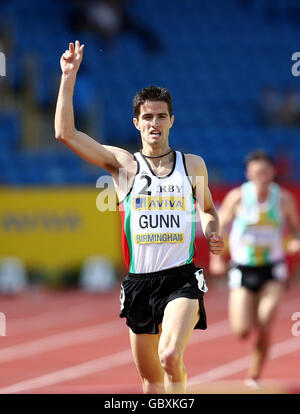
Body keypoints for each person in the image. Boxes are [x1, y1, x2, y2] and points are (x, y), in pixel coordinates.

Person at [55, 40, 224, 394]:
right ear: (136, 122)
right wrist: (68, 77)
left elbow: (206, 210)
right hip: (138, 284)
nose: (155, 123)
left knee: (168, 357)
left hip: (180, 279)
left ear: (172, 120)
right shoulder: (124, 166)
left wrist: (211, 229)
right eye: (147, 116)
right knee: (150, 380)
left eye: (162, 116)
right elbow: (65, 134)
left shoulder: (192, 165)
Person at [209, 150, 300, 389]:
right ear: (249, 173)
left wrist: (293, 242)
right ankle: (254, 347)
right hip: (243, 269)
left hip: (273, 269)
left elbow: (295, 230)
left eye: (266, 171)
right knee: (241, 330)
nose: (262, 175)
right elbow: (217, 229)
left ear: (273, 172)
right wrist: (216, 259)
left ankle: (255, 372)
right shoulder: (237, 198)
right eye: (257, 172)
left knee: (265, 319)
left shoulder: (283, 199)